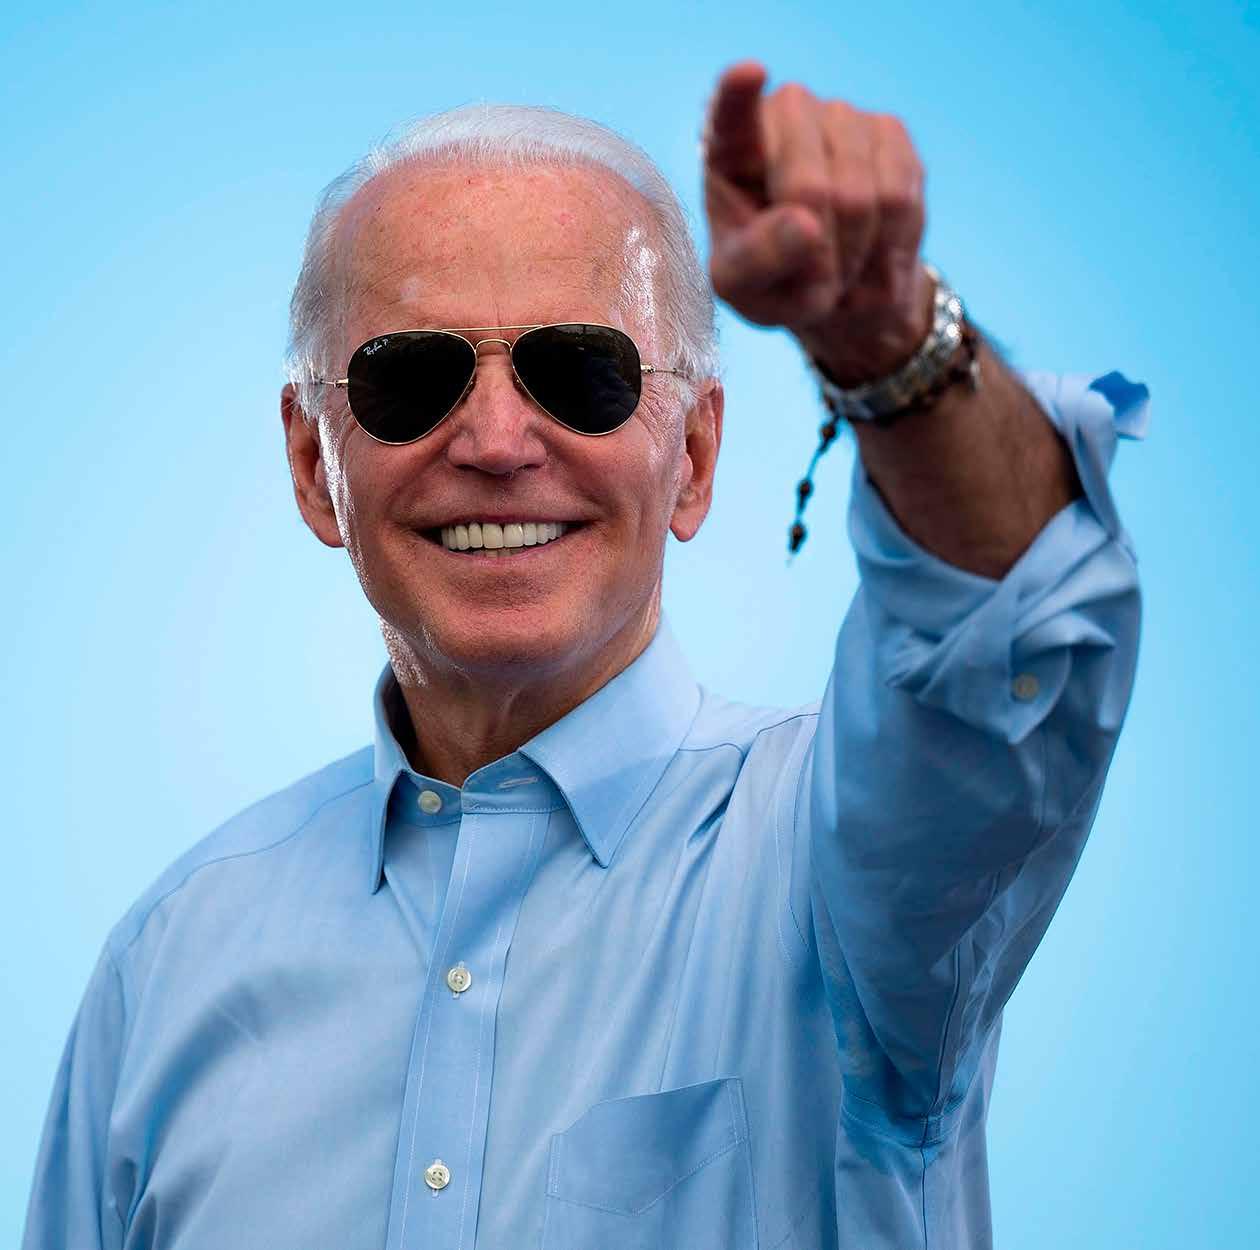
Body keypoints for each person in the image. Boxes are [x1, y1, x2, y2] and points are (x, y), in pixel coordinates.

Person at [21, 60, 1149, 1250]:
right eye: (411, 376)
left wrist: (893, 348)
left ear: (694, 455)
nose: (497, 440)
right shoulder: (166, 966)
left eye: (581, 372)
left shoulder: (843, 881)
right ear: (314, 464)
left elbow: (1009, 626)